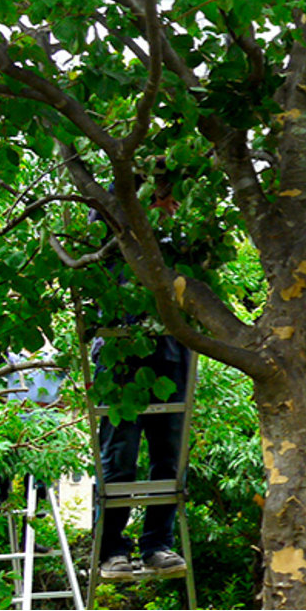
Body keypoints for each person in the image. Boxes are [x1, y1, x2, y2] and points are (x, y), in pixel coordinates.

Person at [92, 171, 193, 580]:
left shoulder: (180, 240)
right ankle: (112, 550)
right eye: (165, 199)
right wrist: (145, 183)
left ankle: (157, 545)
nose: (172, 206)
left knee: (170, 457)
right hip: (120, 352)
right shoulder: (117, 225)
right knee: (120, 458)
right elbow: (108, 207)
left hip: (171, 354)